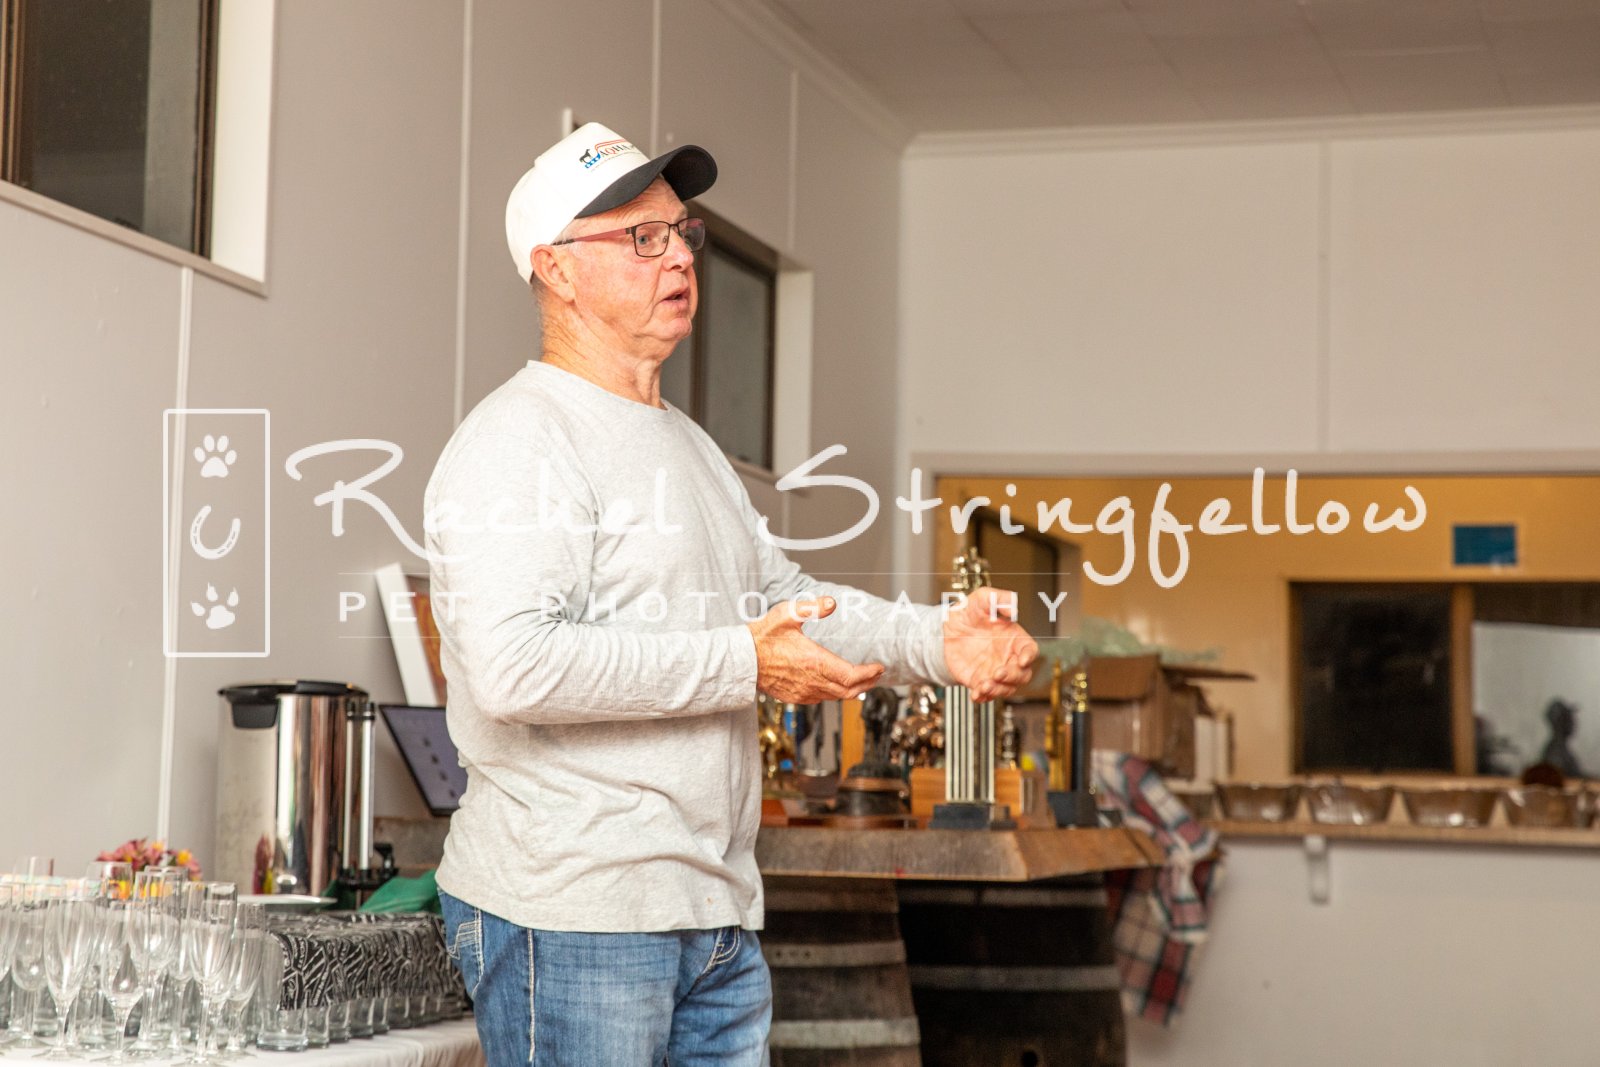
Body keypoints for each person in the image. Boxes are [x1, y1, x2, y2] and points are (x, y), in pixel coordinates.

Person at [423, 122, 1037, 1066]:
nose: (678, 255)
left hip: (712, 915)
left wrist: (934, 640)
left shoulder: (692, 447)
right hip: (576, 915)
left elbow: (785, 600)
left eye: (682, 232)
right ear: (557, 270)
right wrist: (744, 660)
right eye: (642, 237)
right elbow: (516, 669)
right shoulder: (519, 440)